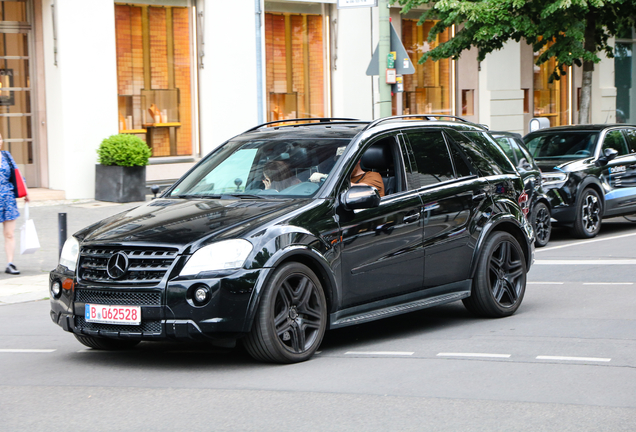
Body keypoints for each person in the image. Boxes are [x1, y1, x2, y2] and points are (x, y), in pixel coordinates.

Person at [0, 134, 29, 275]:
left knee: (9, 233)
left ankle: (10, 263)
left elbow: (17, 174)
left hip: (8, 199)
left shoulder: (6, 156)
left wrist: (26, 192)